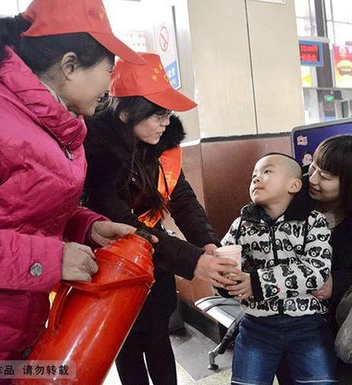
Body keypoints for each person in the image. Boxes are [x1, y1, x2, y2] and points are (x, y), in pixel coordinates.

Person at [0, 0, 147, 381]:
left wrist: (87, 227)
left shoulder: (55, 121)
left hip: (13, 325)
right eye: (108, 71)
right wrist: (48, 259)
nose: (110, 86)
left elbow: (19, 206)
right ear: (70, 65)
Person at [82, 52, 240, 385]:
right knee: (125, 343)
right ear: (126, 113)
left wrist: (207, 242)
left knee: (158, 335)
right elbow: (122, 223)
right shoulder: (96, 155)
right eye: (158, 115)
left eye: (168, 114)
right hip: (114, 264)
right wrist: (193, 260)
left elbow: (183, 199)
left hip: (157, 257)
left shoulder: (162, 146)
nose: (166, 123)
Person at [276, 134, 352, 383]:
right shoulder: (288, 198)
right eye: (313, 168)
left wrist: (337, 284)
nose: (312, 179)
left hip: (345, 327)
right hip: (290, 322)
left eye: (325, 176)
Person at [223, 153, 337, 385]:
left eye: (266, 172)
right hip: (257, 324)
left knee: (319, 381)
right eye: (254, 175)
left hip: (306, 323)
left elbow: (316, 271)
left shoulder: (313, 222)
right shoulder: (242, 224)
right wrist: (226, 283)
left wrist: (256, 283)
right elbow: (225, 263)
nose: (256, 179)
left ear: (294, 185)